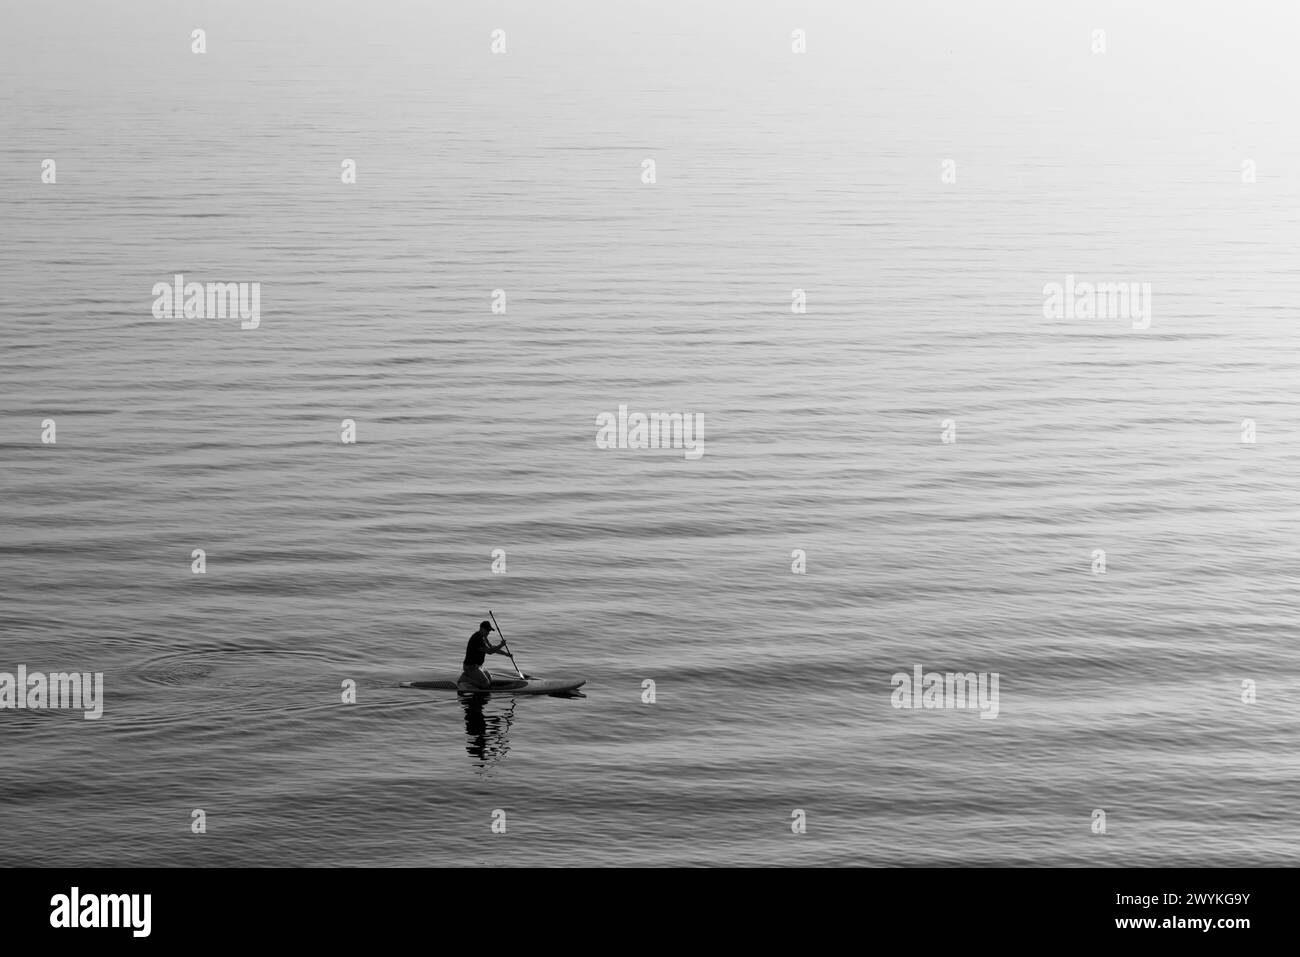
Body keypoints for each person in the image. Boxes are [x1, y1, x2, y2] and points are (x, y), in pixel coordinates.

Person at [458, 620, 507, 690]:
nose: (488, 632)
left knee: (490, 679)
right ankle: (465, 679)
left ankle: (471, 677)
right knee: (485, 684)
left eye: (489, 630)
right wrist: (501, 645)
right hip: (470, 667)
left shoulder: (484, 637)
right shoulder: (477, 639)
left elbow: (492, 648)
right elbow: (489, 652)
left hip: (479, 666)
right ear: (482, 629)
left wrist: (506, 654)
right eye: (487, 630)